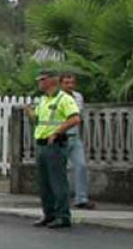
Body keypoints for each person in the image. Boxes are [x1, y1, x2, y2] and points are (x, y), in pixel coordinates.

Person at [24, 69, 81, 229]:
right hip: (42, 143)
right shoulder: (43, 100)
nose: (39, 83)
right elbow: (40, 121)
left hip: (55, 144)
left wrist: (57, 132)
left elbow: (75, 118)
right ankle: (49, 214)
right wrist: (31, 114)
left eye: (42, 79)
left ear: (51, 80)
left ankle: (63, 216)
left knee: (57, 182)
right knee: (44, 183)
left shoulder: (64, 99)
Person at [60, 72, 95, 210]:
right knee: (60, 170)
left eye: (72, 83)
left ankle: (81, 198)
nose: (69, 85)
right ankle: (60, 197)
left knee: (81, 166)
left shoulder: (78, 97)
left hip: (74, 136)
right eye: (66, 83)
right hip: (60, 136)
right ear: (61, 84)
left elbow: (77, 114)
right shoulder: (56, 98)